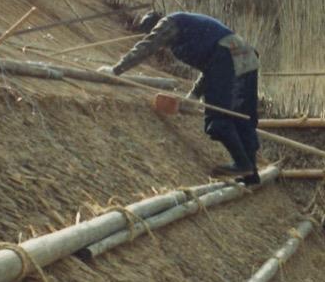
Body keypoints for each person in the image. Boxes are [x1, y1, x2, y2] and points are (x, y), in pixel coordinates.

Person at [99, 11, 261, 185]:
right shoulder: (188, 32)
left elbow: (146, 47)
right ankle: (251, 175)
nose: (160, 44)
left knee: (217, 119)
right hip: (246, 56)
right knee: (241, 116)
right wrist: (194, 95)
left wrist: (116, 70)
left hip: (228, 56)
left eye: (154, 35)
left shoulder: (169, 23)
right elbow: (211, 67)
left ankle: (242, 163)